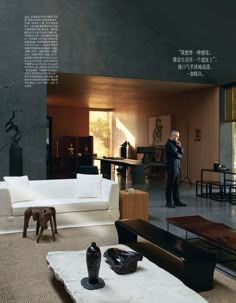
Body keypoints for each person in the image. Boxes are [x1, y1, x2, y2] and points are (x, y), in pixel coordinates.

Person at [165, 130, 186, 208]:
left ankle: (177, 201)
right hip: (171, 167)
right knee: (170, 185)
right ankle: (169, 202)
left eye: (178, 136)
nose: (178, 138)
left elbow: (182, 152)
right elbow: (176, 155)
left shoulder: (176, 144)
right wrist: (180, 154)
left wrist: (180, 146)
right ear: (172, 136)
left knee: (176, 185)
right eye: (176, 136)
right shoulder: (169, 144)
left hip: (177, 167)